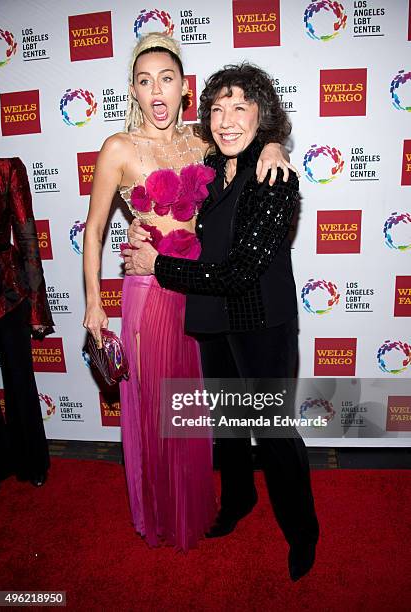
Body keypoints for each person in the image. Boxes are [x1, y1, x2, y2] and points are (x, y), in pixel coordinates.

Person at [83, 33, 295, 552]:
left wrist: (274, 143)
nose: (156, 90)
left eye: (167, 78)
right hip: (149, 294)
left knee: (198, 414)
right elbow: (92, 230)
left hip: (203, 294)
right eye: (144, 80)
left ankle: (203, 504)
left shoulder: (204, 138)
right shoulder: (118, 148)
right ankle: (160, 512)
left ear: (183, 89)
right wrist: (94, 302)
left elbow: (245, 145)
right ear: (132, 91)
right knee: (159, 413)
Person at [124, 63, 320, 579]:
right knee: (229, 428)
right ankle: (237, 500)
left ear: (262, 116)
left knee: (274, 434)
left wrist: (157, 266)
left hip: (260, 325)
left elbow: (241, 272)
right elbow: (163, 148)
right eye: (217, 107)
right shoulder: (210, 167)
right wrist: (151, 241)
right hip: (211, 319)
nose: (227, 119)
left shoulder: (274, 177)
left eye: (241, 107)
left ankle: (303, 532)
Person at [0, 157, 54, 489]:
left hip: (7, 290)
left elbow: (28, 239)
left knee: (19, 378)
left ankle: (31, 461)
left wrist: (36, 307)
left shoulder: (6, 170)